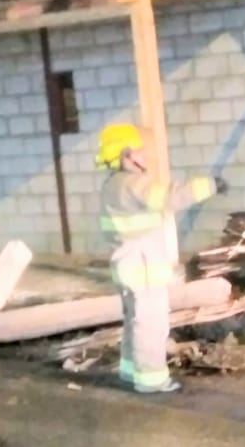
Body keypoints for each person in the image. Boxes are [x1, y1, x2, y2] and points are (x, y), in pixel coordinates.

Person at [95, 123, 228, 394]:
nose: (144, 156)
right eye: (139, 151)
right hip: (142, 267)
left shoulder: (113, 185)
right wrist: (210, 185)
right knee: (151, 323)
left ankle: (131, 370)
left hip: (128, 265)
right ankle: (152, 380)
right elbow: (171, 196)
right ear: (126, 155)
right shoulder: (133, 184)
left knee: (135, 320)